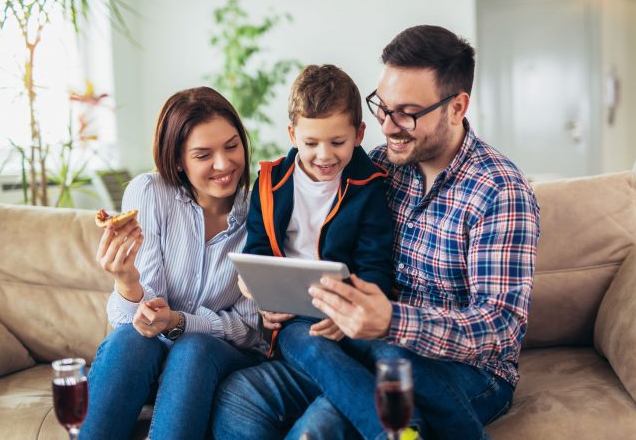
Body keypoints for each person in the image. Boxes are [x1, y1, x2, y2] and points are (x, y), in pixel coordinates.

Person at [211, 25, 540, 440]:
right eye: (382, 108)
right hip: (359, 342)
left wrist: (391, 320)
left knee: (324, 426)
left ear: (457, 107)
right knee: (239, 395)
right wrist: (272, 294)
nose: (387, 126)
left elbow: (500, 327)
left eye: (407, 113)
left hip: (464, 369)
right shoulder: (381, 165)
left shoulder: (500, 190)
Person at [80, 87, 264, 440]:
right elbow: (131, 320)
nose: (224, 164)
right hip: (150, 359)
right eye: (203, 154)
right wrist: (127, 282)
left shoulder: (262, 212)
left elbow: (250, 328)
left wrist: (181, 323)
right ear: (179, 160)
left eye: (231, 146)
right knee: (129, 341)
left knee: (193, 347)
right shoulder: (149, 193)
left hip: (217, 361)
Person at [240, 64, 394, 424]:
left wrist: (352, 315)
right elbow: (256, 253)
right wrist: (262, 300)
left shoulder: (370, 185)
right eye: (311, 143)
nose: (324, 156)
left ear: (358, 134)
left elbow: (375, 265)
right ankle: (396, 430)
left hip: (353, 311)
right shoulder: (268, 181)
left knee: (391, 354)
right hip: (294, 320)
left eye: (337, 142)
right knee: (312, 348)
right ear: (293, 135)